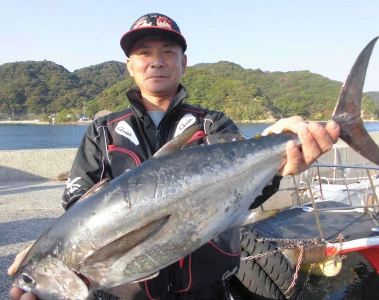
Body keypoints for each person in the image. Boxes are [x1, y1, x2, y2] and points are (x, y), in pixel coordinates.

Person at [8, 12, 340, 300]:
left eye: (168, 51)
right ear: (130, 65)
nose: (156, 60)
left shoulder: (213, 124)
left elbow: (248, 195)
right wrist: (49, 247)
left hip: (208, 290)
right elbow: (79, 204)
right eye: (143, 52)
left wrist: (278, 163)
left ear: (183, 62)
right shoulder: (102, 130)